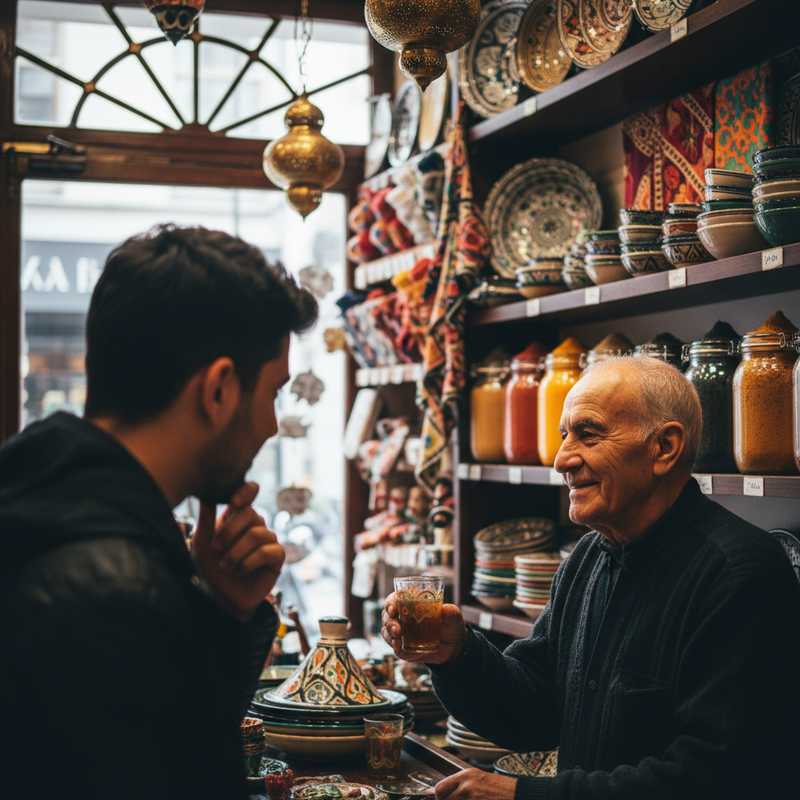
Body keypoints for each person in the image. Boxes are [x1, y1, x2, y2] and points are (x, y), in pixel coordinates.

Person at [382, 357, 800, 800]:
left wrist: (522, 795)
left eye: (588, 433)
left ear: (665, 448)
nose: (562, 458)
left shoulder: (740, 574)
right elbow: (535, 711)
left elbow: (711, 776)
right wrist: (458, 654)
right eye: (565, 435)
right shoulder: (588, 559)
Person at [0, 225, 318, 799]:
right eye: (272, 392)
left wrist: (219, 611)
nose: (272, 425)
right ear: (219, 389)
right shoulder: (116, 590)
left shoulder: (43, 501)